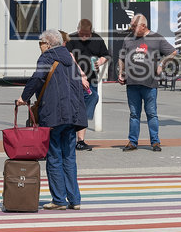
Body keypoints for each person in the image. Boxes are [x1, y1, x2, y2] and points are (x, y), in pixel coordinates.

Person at [17, 28, 90, 210]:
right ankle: (74, 199)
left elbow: (37, 79)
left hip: (55, 115)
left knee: (54, 156)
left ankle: (58, 199)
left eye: (40, 43)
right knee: (69, 157)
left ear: (48, 44)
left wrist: (24, 98)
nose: (39, 46)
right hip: (73, 115)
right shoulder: (69, 58)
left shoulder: (47, 57)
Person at [118, 14, 175, 151]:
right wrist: (121, 72)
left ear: (143, 26)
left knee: (151, 113)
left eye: (134, 26)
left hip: (149, 84)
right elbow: (121, 57)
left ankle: (155, 142)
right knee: (134, 114)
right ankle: (132, 142)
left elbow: (172, 52)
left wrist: (161, 64)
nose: (131, 28)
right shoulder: (128, 39)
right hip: (132, 83)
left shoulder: (156, 38)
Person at [67, 17, 110, 152]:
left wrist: (100, 62)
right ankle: (70, 138)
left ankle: (80, 140)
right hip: (73, 80)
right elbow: (69, 57)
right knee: (75, 107)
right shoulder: (71, 39)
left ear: (91, 32)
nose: (84, 37)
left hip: (91, 79)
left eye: (87, 34)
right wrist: (81, 75)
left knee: (89, 102)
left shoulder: (97, 39)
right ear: (78, 29)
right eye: (82, 34)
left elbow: (106, 55)